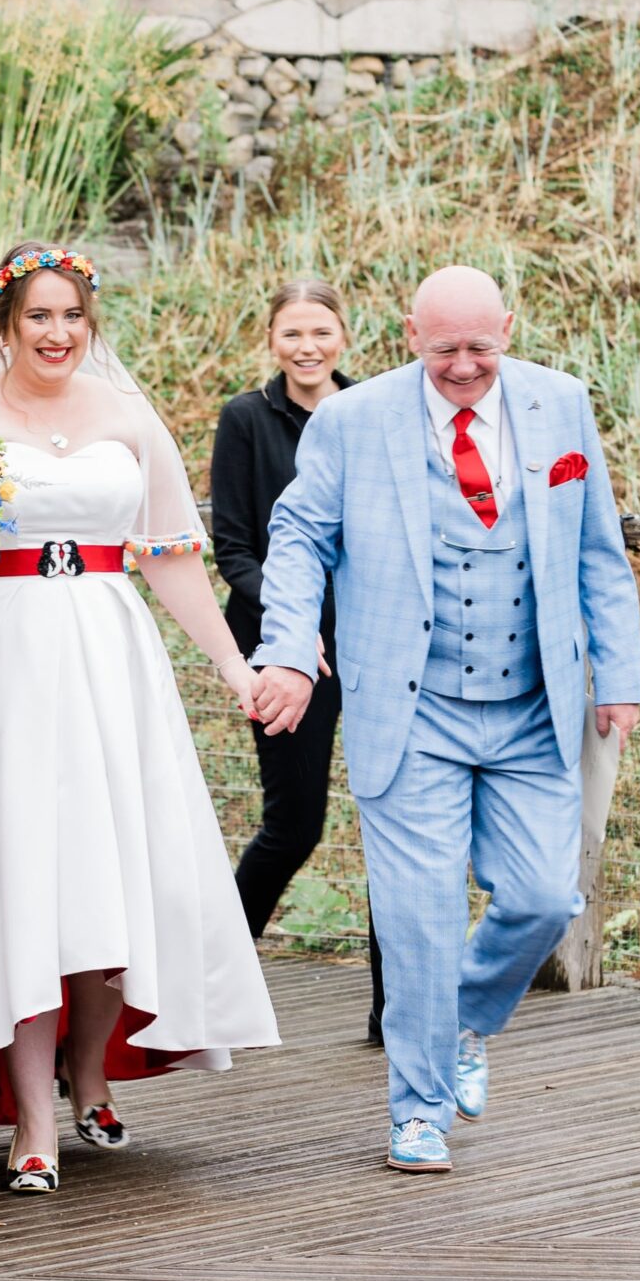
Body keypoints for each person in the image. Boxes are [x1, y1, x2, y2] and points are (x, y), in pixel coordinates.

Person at [0, 241, 280, 1193]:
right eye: (37, 318)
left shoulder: (128, 417)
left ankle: (90, 1067)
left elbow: (172, 556)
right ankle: (30, 1119)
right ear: (3, 326)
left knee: (104, 868)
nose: (57, 334)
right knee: (13, 878)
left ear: (89, 324)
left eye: (72, 317)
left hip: (105, 652)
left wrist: (232, 666)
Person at [251, 265, 640, 1175]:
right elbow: (300, 536)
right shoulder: (353, 422)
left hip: (531, 707)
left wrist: (618, 675)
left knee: (546, 896)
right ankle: (417, 1109)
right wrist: (286, 647)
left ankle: (465, 1015)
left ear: (507, 327)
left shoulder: (561, 404)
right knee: (419, 919)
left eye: (480, 347)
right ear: (407, 335)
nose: (464, 367)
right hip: (410, 708)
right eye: (443, 351)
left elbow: (598, 551)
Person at [210, 281, 384, 1042]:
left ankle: (396, 1012)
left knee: (396, 828)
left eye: (320, 331)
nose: (307, 347)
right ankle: (214, 990)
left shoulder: (374, 415)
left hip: (377, 648)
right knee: (293, 824)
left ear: (343, 335)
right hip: (282, 655)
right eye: (291, 333)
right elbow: (236, 550)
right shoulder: (246, 420)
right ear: (271, 339)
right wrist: (292, 630)